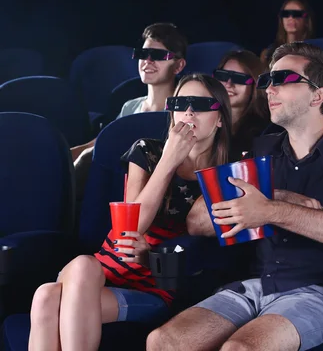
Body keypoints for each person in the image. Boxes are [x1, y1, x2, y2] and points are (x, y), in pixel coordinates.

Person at [146, 42, 323, 351]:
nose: (269, 89)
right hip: (254, 286)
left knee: (241, 349)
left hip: (322, 291)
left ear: (318, 95)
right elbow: (197, 221)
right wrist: (276, 196)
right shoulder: (263, 148)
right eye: (267, 80)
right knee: (162, 341)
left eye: (283, 80)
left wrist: (273, 211)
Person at [28, 74, 232, 351]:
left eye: (200, 103)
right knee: (79, 269)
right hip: (106, 267)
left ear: (220, 117)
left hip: (153, 283)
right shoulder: (147, 150)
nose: (189, 111)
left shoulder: (227, 173)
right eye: (180, 103)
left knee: (46, 296)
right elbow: (130, 226)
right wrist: (168, 160)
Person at [71, 23, 188, 162]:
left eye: (158, 55)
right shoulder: (130, 106)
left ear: (178, 66)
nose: (147, 61)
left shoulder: (184, 111)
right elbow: (100, 143)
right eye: (142, 54)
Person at [214, 50, 270, 159]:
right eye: (223, 76)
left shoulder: (265, 131)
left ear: (255, 84)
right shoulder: (204, 120)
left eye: (239, 78)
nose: (229, 84)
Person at [260, 0, 315, 65]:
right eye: (285, 14)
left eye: (297, 14)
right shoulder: (268, 54)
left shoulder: (315, 52)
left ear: (307, 21)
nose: (291, 18)